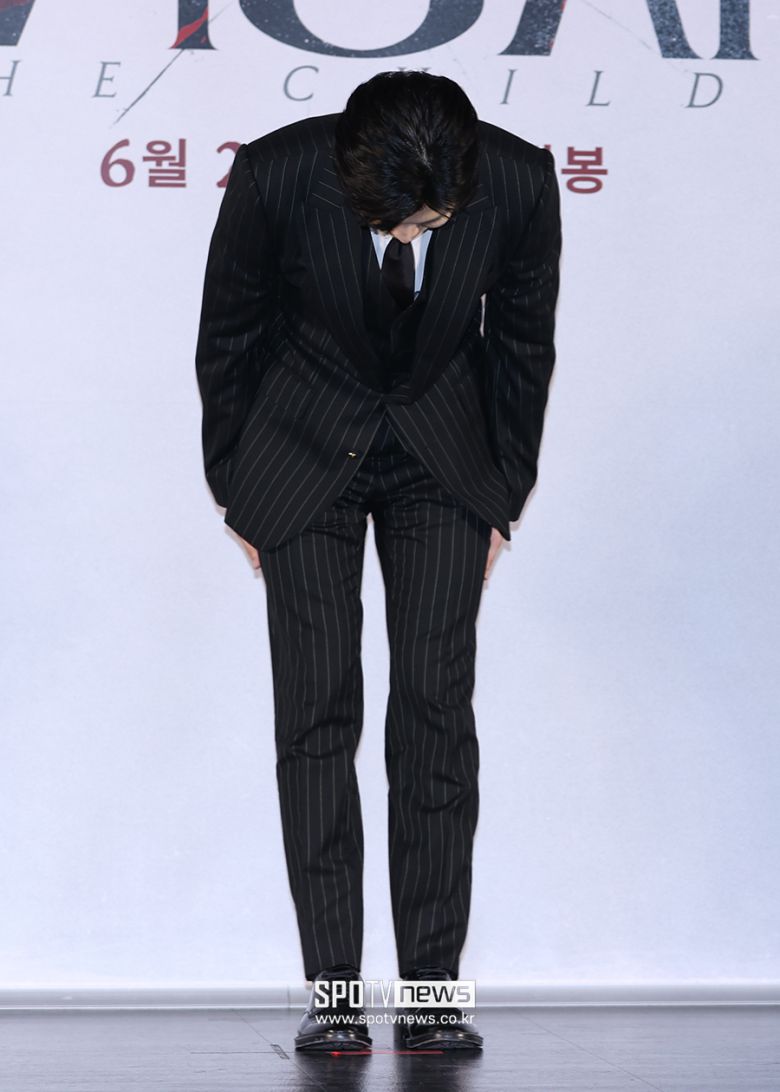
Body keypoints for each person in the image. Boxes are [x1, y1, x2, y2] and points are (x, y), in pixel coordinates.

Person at [195, 70, 561, 1053]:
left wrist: (500, 495)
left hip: (444, 457)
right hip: (300, 454)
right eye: (393, 224)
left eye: (429, 226)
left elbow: (523, 344)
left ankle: (433, 997)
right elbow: (227, 333)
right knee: (317, 714)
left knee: (436, 714)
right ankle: (335, 995)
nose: (409, 237)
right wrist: (236, 487)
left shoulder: (520, 183)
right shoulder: (275, 174)